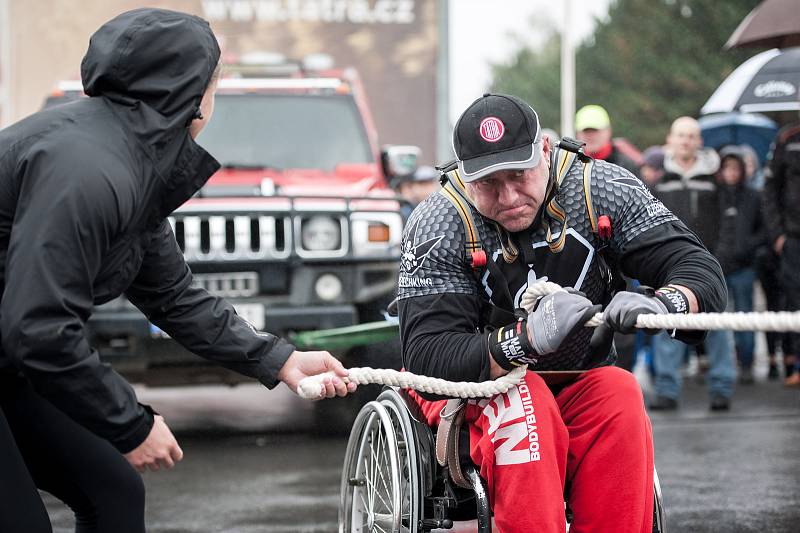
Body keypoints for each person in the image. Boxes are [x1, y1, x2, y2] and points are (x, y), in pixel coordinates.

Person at [0, 9, 354, 533]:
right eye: (216, 85)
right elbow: (39, 328)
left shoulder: (129, 160)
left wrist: (280, 360)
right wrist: (130, 423)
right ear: (191, 97)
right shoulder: (89, 170)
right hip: (19, 353)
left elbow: (173, 296)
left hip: (11, 364)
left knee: (112, 490)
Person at [396, 94, 725, 532]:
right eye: (489, 184)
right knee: (524, 403)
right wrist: (524, 340)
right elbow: (426, 355)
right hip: (474, 391)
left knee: (621, 391)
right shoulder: (439, 221)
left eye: (519, 174)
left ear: (545, 150)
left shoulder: (601, 188)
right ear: (463, 175)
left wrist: (665, 303)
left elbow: (699, 270)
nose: (509, 196)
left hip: (580, 377)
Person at [651, 116, 736, 410]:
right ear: (671, 140)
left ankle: (722, 388)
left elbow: (728, 222)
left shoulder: (715, 180)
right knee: (667, 328)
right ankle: (666, 390)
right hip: (670, 269)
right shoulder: (658, 182)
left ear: (699, 142)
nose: (686, 140)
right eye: (681, 135)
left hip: (712, 267)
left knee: (719, 330)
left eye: (691, 136)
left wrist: (721, 258)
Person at [714, 146, 765, 384]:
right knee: (720, 320)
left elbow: (764, 229)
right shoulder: (716, 196)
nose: (731, 173)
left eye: (735, 168)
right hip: (720, 266)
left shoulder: (754, 196)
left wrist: (747, 247)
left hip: (744, 266)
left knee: (745, 317)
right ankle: (724, 364)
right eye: (727, 168)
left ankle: (746, 362)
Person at [762, 120, 800, 387]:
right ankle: (796, 364)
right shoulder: (787, 138)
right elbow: (770, 190)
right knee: (793, 301)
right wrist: (777, 234)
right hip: (793, 239)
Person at [574, 104, 640, 175]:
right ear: (577, 133)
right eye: (586, 131)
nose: (591, 136)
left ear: (608, 131)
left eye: (595, 131)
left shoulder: (626, 166)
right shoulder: (572, 165)